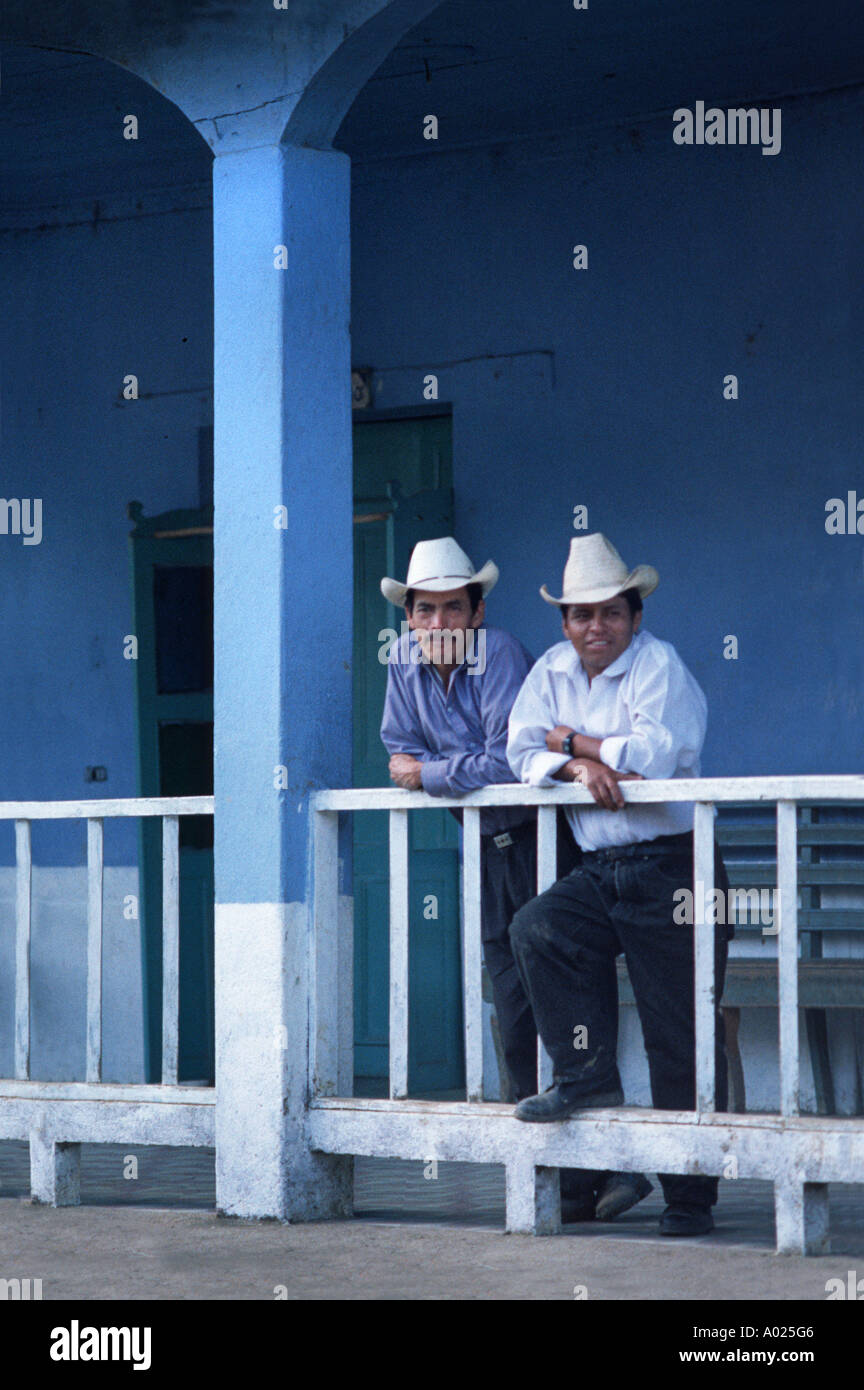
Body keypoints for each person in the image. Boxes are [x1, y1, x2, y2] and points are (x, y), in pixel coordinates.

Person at [379, 536, 649, 1222]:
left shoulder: (497, 652)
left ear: (476, 612)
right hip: (486, 847)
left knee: (568, 995)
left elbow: (508, 761)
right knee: (511, 1004)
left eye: (451, 609)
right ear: (408, 617)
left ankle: (613, 1168)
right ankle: (551, 1174)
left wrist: (434, 774)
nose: (437, 624)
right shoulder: (404, 662)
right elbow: (396, 749)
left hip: (542, 842)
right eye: (425, 611)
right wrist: (435, 769)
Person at [507, 532, 730, 1237]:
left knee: (679, 1031)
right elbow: (519, 747)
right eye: (580, 616)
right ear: (565, 623)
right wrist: (579, 769)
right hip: (602, 870)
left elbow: (656, 755)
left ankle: (690, 1199)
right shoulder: (550, 670)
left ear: (635, 617)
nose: (594, 628)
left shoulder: (659, 666)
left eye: (609, 613)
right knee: (540, 928)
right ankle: (587, 1075)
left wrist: (570, 742)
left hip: (674, 867)